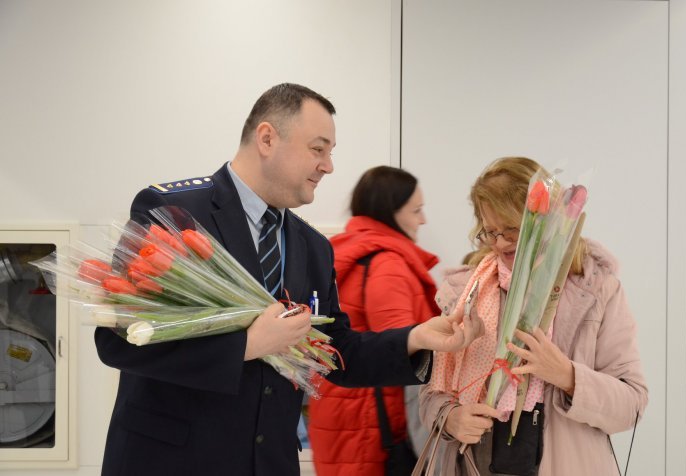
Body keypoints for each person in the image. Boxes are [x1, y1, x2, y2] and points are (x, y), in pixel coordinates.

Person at [94, 83, 481, 476]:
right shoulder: (174, 212)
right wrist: (245, 345)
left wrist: (416, 338)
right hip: (172, 463)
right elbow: (118, 340)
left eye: (331, 153)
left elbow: (336, 352)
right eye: (318, 149)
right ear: (267, 138)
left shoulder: (313, 247)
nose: (328, 166)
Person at [418, 157, 648, 475]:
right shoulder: (466, 290)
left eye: (511, 230)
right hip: (475, 464)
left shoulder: (596, 290)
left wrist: (567, 376)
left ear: (545, 220)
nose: (499, 243)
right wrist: (450, 418)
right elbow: (432, 393)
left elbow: (631, 405)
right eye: (489, 232)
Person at [307, 166, 441, 475]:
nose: (423, 220)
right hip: (370, 433)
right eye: (417, 210)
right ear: (390, 212)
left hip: (341, 416)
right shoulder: (388, 264)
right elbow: (395, 351)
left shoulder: (349, 252)